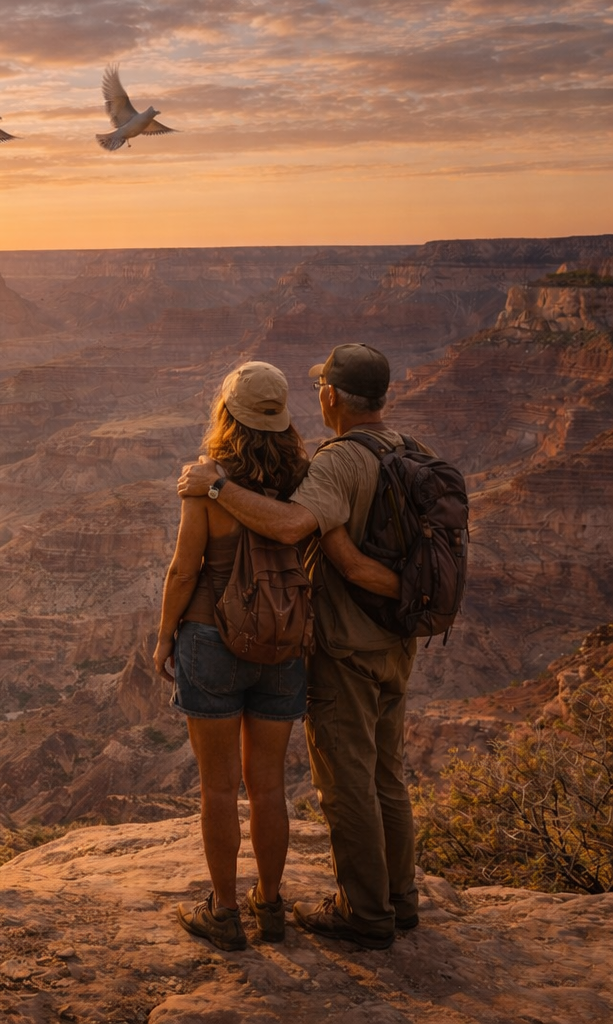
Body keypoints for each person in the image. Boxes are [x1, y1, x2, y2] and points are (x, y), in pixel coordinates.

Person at [178, 343, 421, 951]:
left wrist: (212, 488)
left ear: (331, 397)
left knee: (336, 783)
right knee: (374, 778)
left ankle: (344, 913)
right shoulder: (400, 454)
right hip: (378, 640)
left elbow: (268, 535)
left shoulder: (330, 466)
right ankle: (379, 901)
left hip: (326, 645)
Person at [155, 362, 309, 951]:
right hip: (283, 642)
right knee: (268, 786)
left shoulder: (207, 483)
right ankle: (270, 906)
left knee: (218, 789)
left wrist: (164, 634)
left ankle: (224, 913)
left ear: (227, 415)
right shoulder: (303, 480)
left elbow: (183, 567)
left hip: (210, 641)